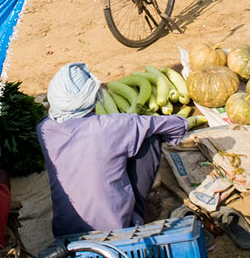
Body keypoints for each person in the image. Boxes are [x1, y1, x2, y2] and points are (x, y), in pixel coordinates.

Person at [37, 63, 188, 237]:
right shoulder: (111, 125)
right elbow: (177, 126)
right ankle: (137, 217)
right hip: (115, 233)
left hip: (65, 234)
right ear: (92, 98)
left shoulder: (44, 130)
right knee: (150, 139)